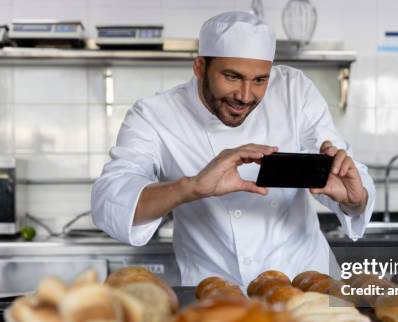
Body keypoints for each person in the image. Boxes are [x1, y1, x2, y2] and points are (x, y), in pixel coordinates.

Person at [91, 11, 376, 287]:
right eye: (232, 76)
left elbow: (340, 173)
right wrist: (191, 187)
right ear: (200, 67)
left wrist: (354, 198)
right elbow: (108, 202)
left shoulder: (294, 91)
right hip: (217, 293)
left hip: (307, 283)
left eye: (260, 80)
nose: (245, 95)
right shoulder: (154, 115)